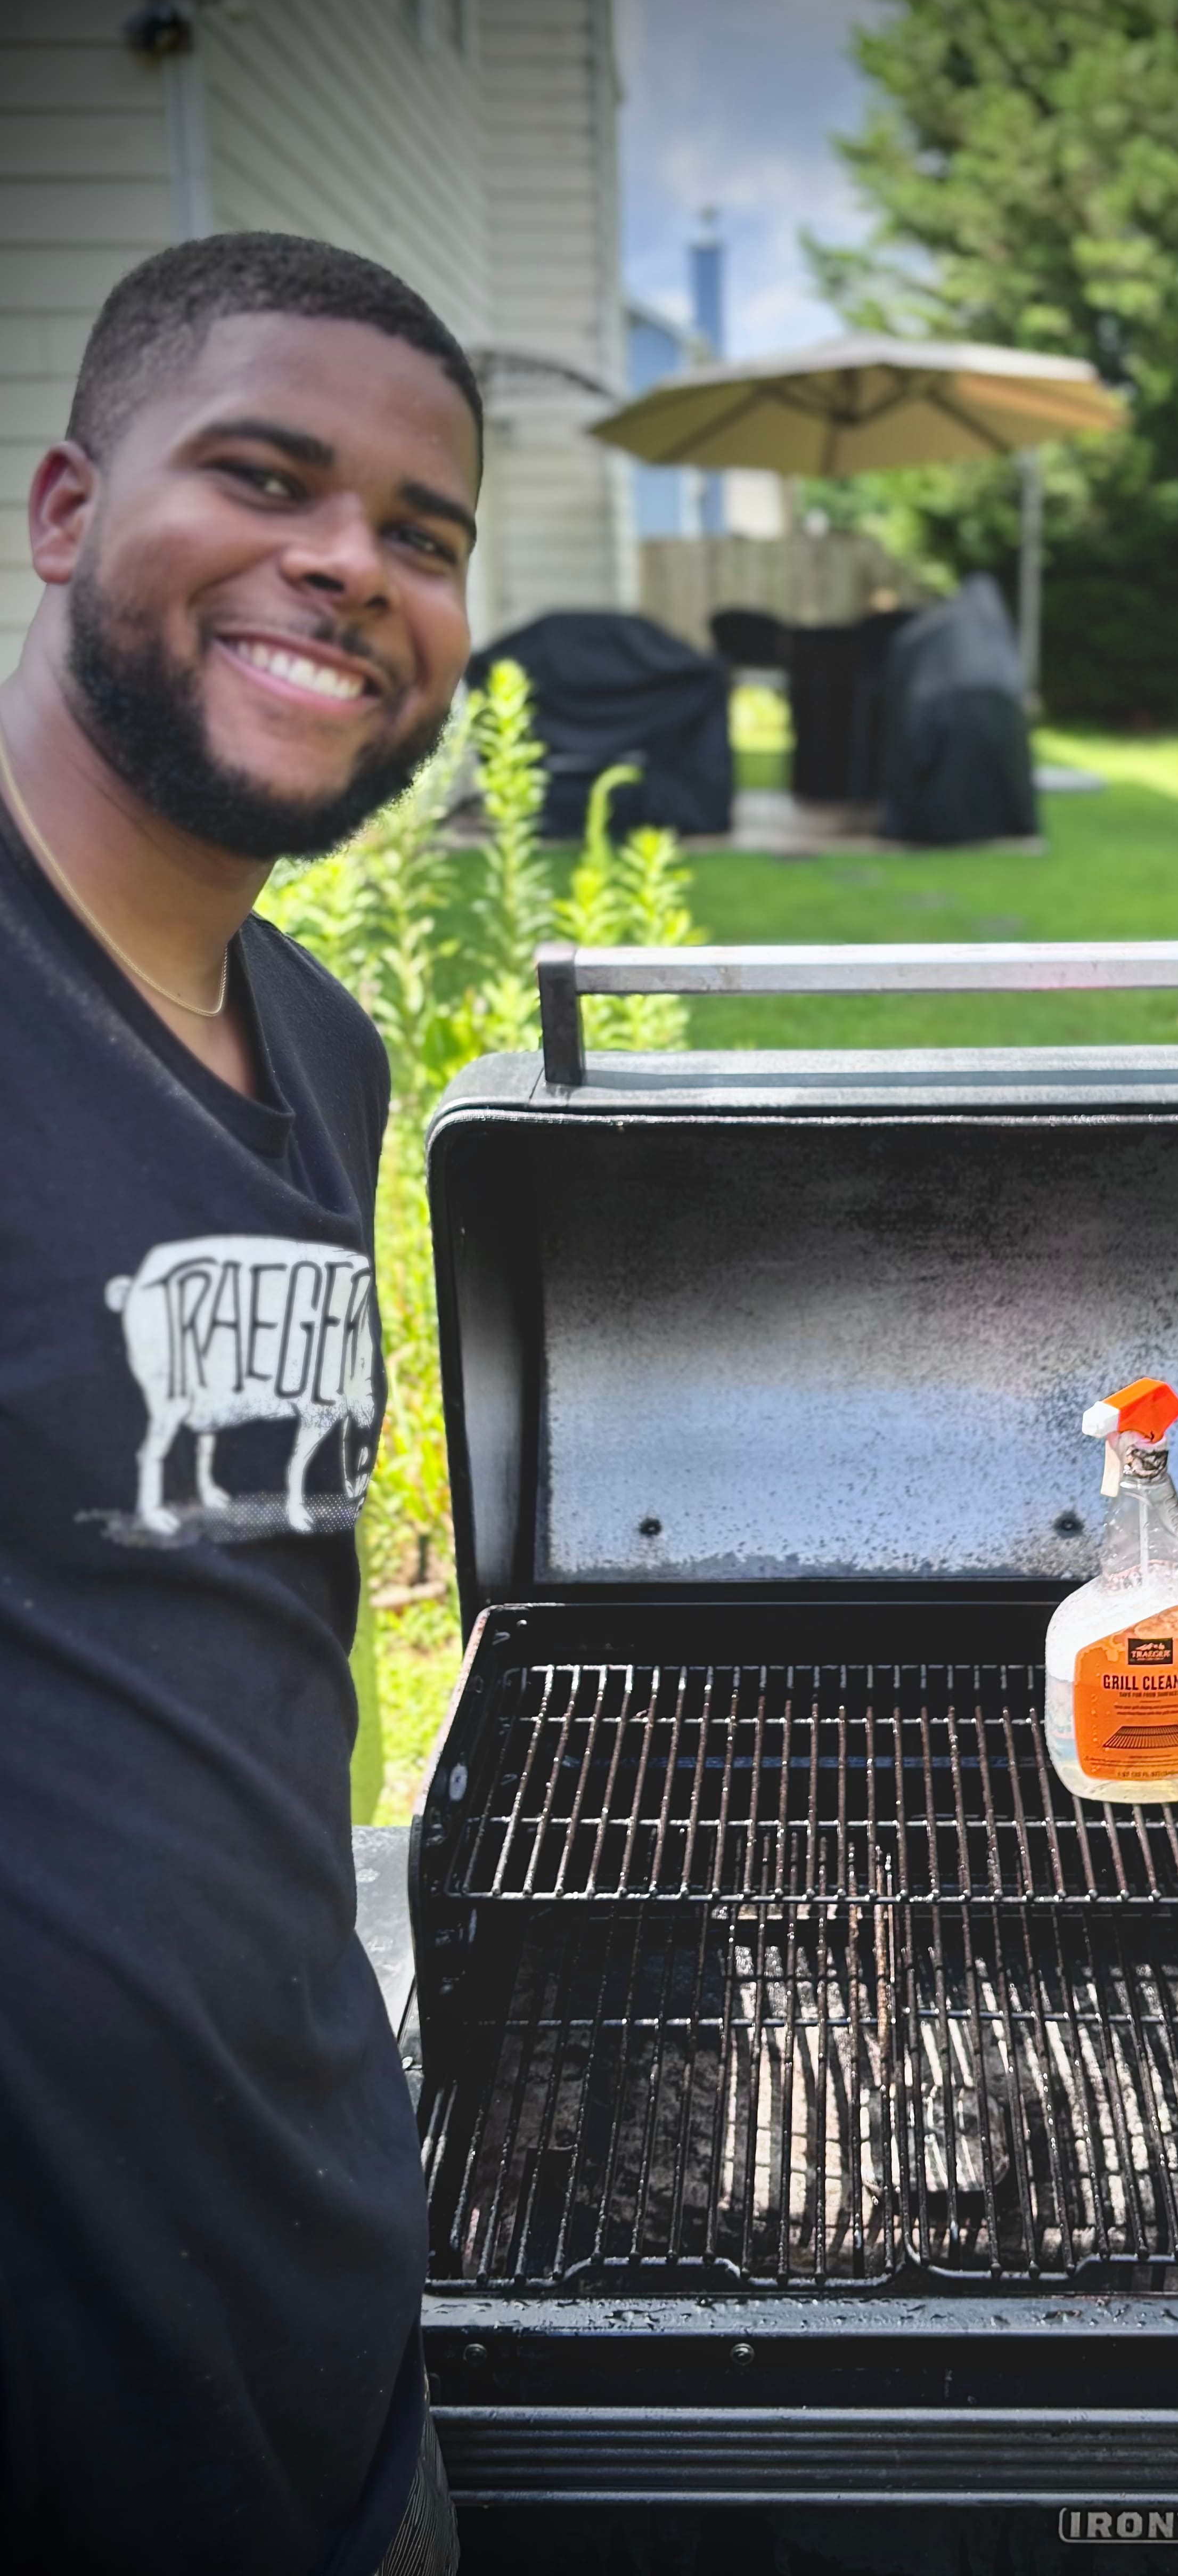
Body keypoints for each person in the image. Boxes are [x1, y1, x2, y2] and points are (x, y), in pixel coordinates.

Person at [0, 233, 478, 2573]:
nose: (348, 567)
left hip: (322, 2367)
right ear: (69, 506)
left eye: (420, 530)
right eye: (266, 477)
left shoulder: (323, 1046)